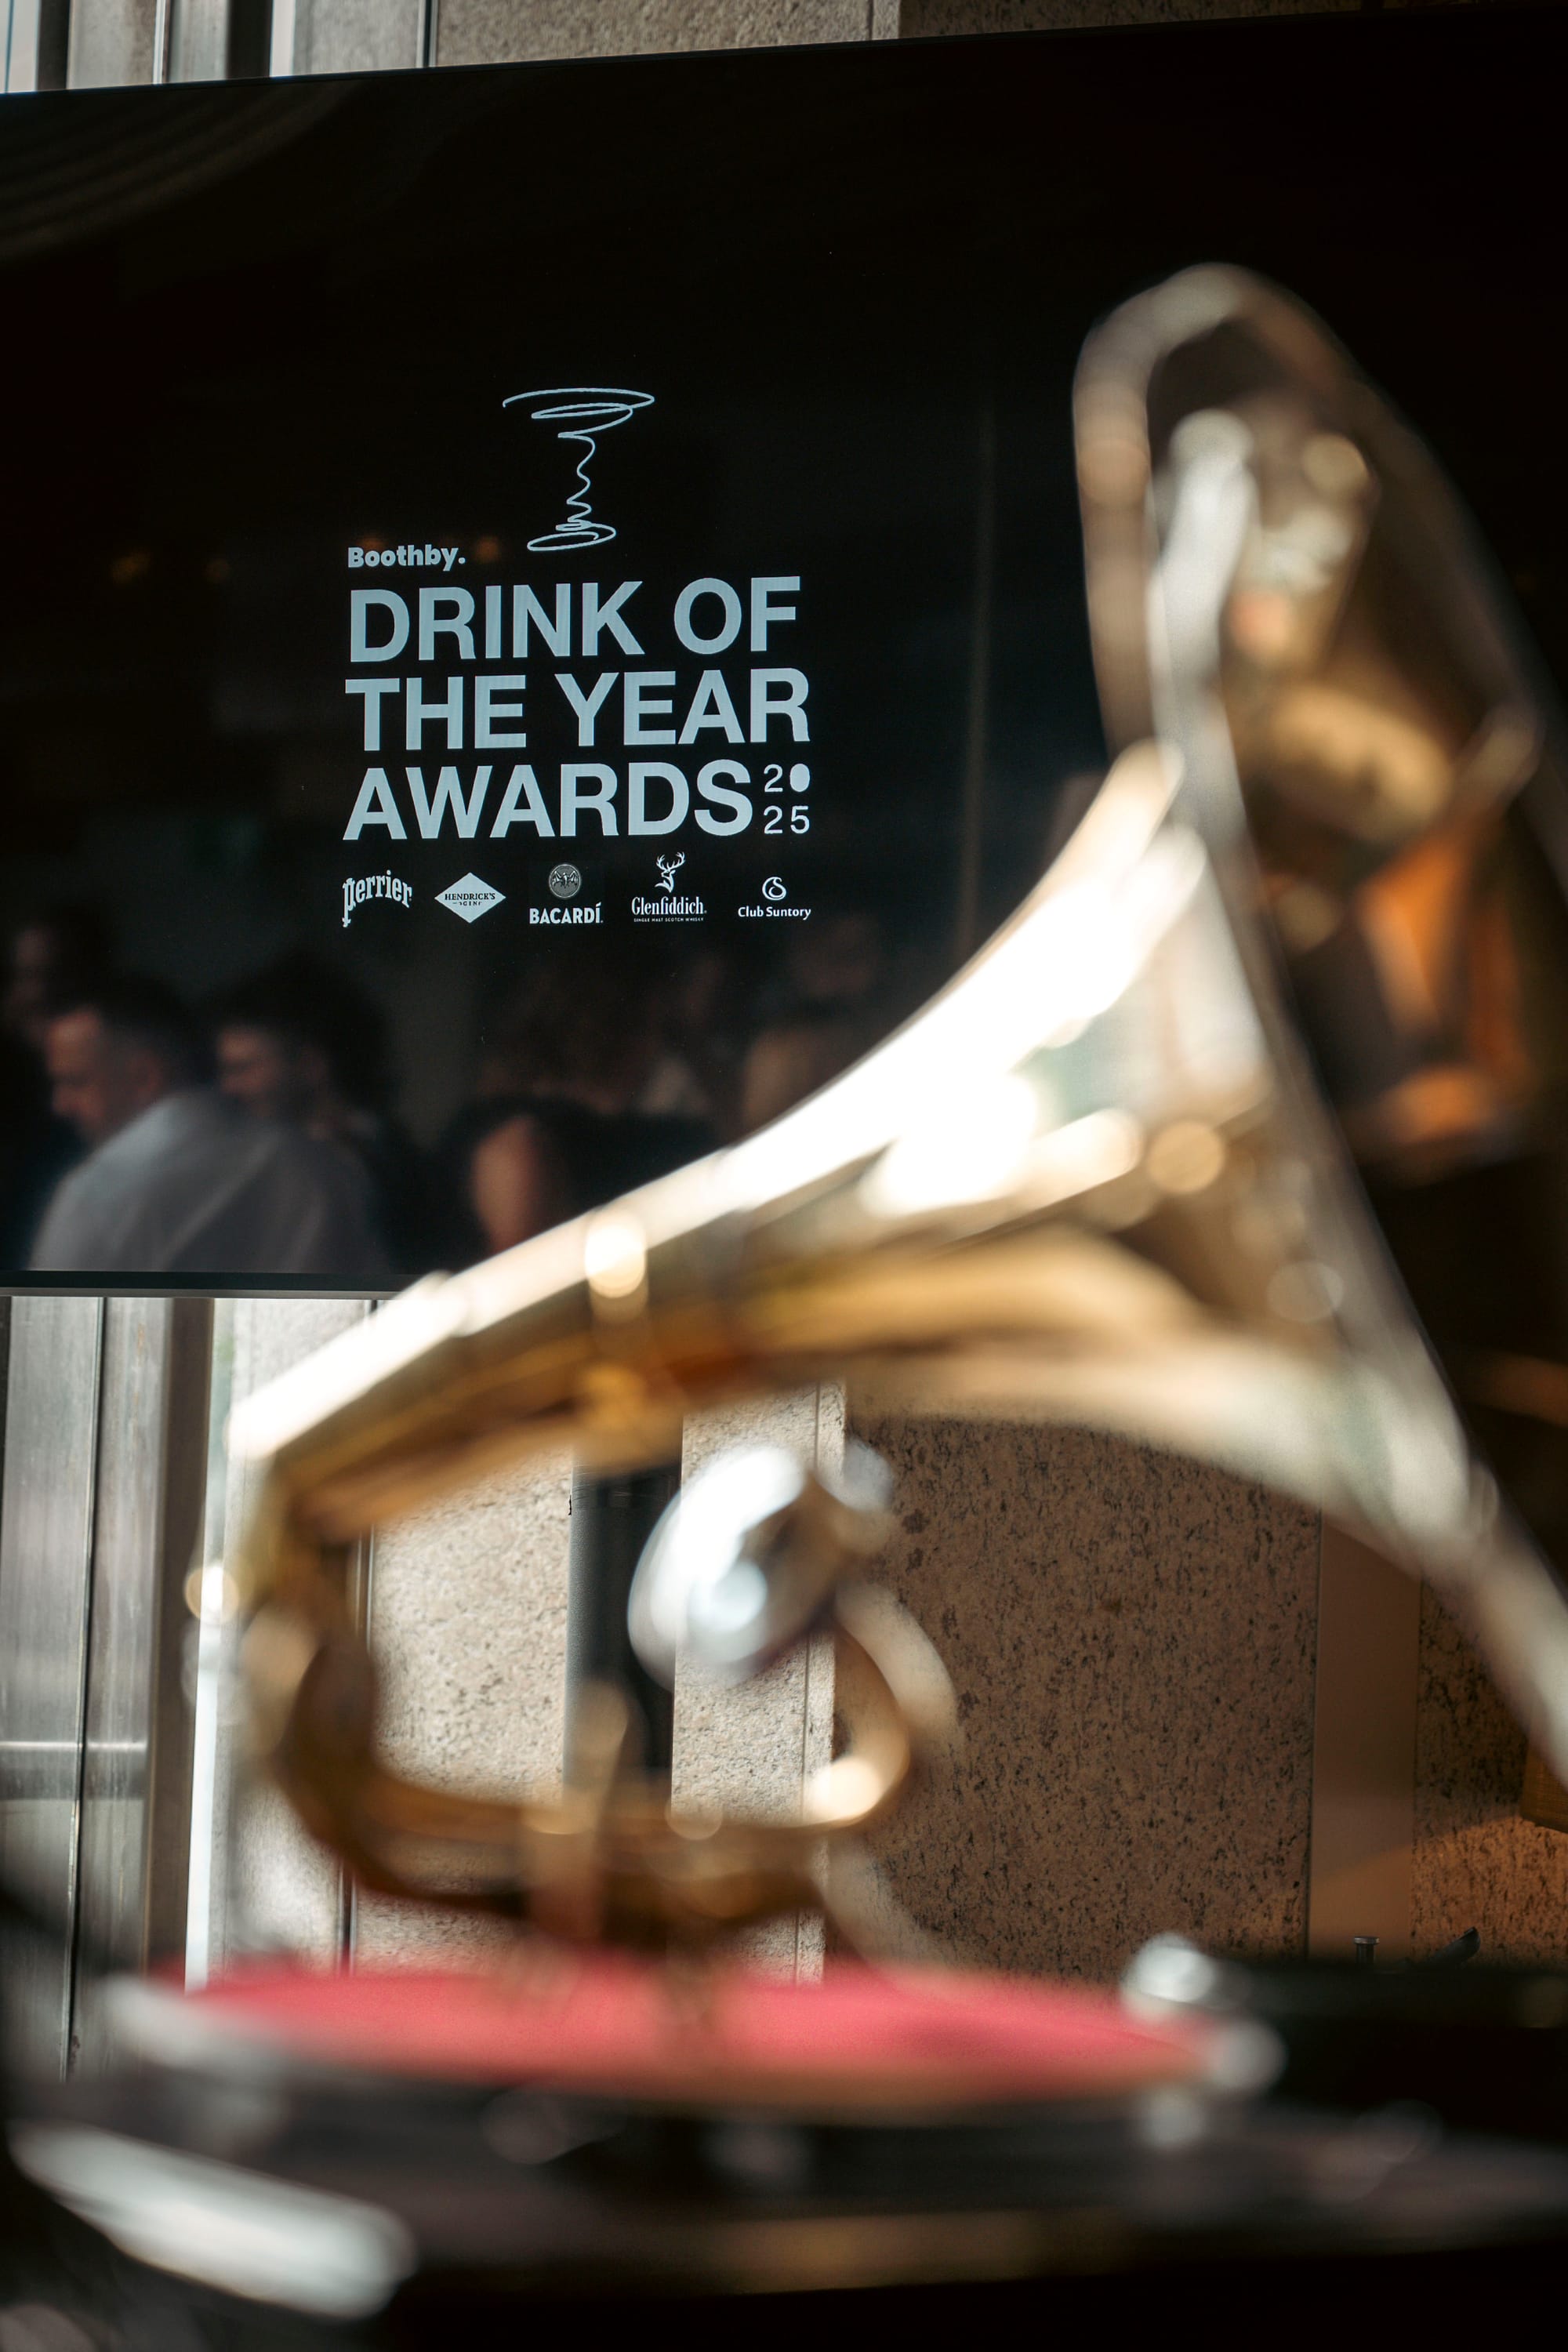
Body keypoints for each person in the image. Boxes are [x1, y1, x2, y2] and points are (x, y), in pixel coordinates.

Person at [29, 978, 390, 1283]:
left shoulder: (96, 1196)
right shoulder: (324, 1169)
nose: (60, 1105)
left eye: (76, 1082)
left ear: (144, 1077)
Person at [212, 956, 452, 1279]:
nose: (228, 1088)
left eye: (244, 1068)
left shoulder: (380, 1166)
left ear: (311, 1065)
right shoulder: (368, 1153)